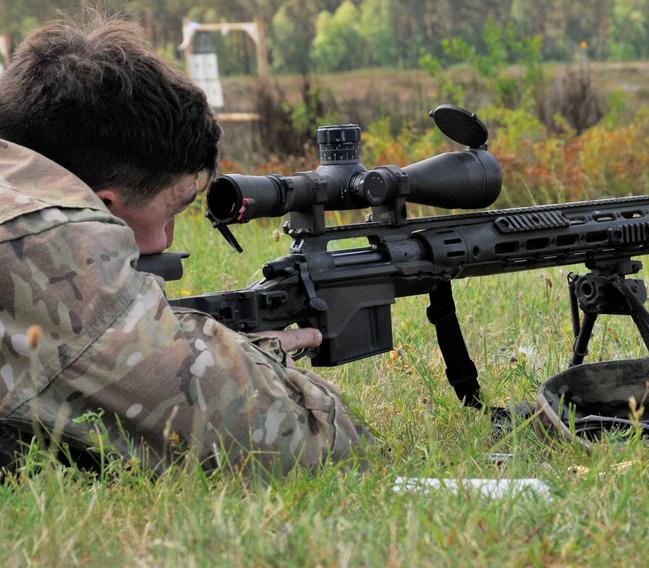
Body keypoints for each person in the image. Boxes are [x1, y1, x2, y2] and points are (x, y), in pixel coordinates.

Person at [0, 17, 374, 474]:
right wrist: (249, 358)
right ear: (102, 207)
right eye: (171, 210)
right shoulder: (44, 241)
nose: (169, 239)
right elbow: (307, 441)